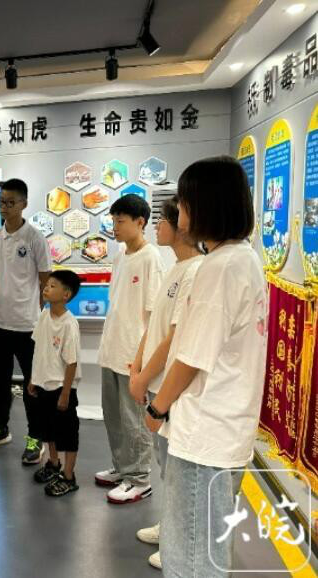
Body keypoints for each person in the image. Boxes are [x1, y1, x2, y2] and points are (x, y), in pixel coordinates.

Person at [146, 156, 265, 577]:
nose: (179, 212)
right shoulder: (243, 258)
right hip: (225, 428)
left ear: (206, 205)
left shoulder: (219, 267)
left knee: (191, 554)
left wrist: (157, 408)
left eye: (184, 202)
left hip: (205, 434)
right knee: (207, 544)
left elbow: (191, 358)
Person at [128, 195, 203, 569]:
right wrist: (138, 366)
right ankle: (169, 526)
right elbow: (154, 324)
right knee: (164, 464)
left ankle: (177, 540)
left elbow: (175, 337)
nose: (156, 226)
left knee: (177, 470)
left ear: (182, 226)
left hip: (169, 387)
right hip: (152, 380)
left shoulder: (196, 271)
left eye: (162, 220)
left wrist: (144, 377)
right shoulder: (175, 267)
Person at [96, 194, 165, 504]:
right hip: (112, 347)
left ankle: (139, 478)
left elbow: (154, 316)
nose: (115, 227)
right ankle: (122, 467)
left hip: (132, 354)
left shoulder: (151, 259)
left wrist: (140, 362)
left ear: (140, 222)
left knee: (133, 419)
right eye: (113, 221)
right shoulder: (120, 256)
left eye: (120, 221)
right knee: (113, 415)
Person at [0, 178, 52, 465]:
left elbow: (45, 281)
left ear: (24, 203)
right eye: (1, 202)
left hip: (27, 325)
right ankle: (1, 428)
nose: (5, 207)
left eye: (11, 203)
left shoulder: (34, 238)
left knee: (33, 385)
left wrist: (38, 315)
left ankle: (36, 436)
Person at [28, 270, 82, 497]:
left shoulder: (69, 324)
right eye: (46, 285)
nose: (46, 289)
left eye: (52, 286)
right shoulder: (43, 316)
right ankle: (53, 462)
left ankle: (69, 476)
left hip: (61, 387)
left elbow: (72, 362)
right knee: (48, 429)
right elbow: (38, 349)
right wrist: (33, 379)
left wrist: (65, 393)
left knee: (67, 434)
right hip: (43, 385)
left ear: (66, 295)